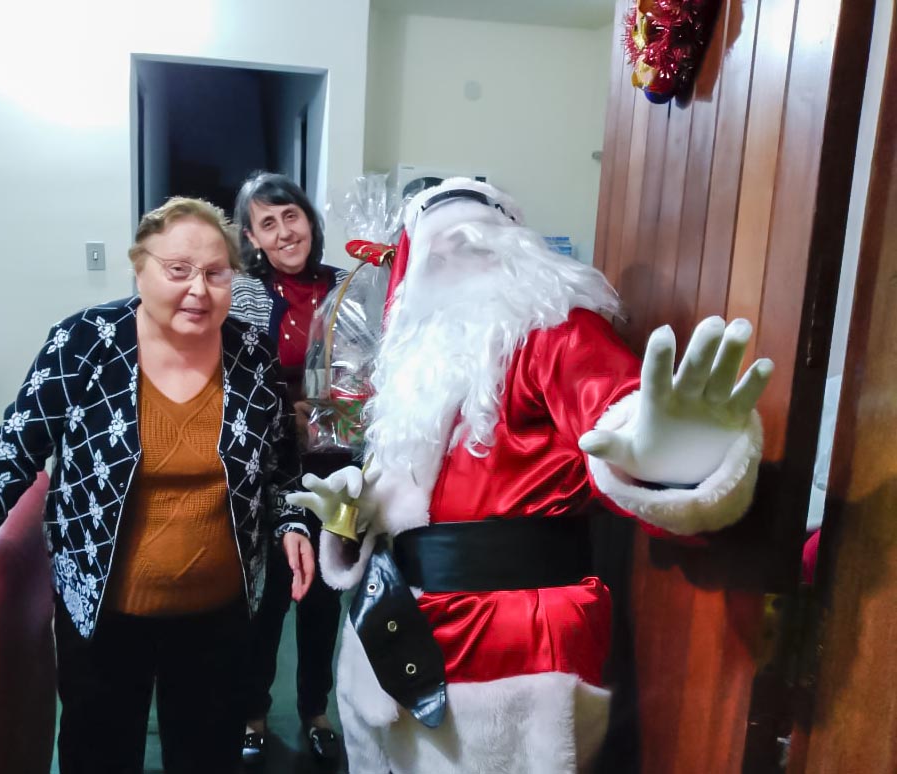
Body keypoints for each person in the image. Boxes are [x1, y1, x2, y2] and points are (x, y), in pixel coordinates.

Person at [290, 178, 774, 774]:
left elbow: (614, 414)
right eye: (437, 253)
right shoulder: (414, 366)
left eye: (473, 243)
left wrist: (672, 457)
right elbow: (413, 494)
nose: (455, 262)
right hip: (395, 627)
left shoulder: (557, 333)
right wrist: (357, 511)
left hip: (507, 648)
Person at [0, 197, 317, 774]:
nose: (198, 289)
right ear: (139, 268)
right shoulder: (84, 342)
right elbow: (14, 451)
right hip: (103, 617)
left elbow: (281, 464)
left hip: (219, 615)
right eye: (178, 270)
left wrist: (291, 521)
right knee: (99, 755)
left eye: (216, 273)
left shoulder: (252, 354)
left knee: (208, 757)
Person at [230, 171, 348, 765]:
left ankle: (315, 710)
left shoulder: (349, 287)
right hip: (269, 467)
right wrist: (286, 411)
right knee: (270, 592)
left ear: (309, 220)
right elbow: (233, 382)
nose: (284, 232)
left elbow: (373, 371)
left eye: (291, 216)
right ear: (252, 237)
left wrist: (343, 412)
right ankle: (253, 711)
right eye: (267, 223)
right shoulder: (243, 294)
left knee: (326, 591)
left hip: (340, 468)